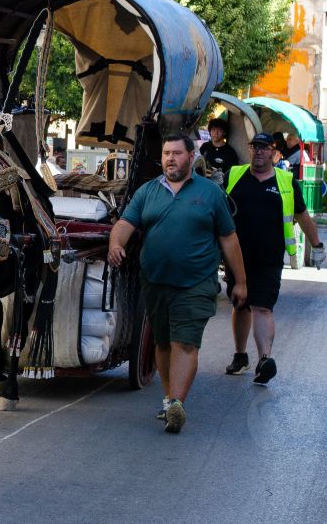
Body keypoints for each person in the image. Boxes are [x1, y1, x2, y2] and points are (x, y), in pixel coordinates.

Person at [108, 133, 247, 434]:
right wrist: (116, 244)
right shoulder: (148, 191)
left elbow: (229, 238)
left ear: (191, 157)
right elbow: (125, 223)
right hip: (155, 282)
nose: (170, 158)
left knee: (184, 342)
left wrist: (240, 282)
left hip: (195, 284)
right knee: (162, 342)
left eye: (177, 153)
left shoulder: (210, 193)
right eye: (166, 153)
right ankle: (169, 399)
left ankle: (177, 404)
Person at [222, 133, 324, 386]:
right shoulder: (233, 175)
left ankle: (264, 360)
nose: (258, 151)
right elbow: (215, 209)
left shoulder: (286, 181)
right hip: (236, 256)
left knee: (262, 306)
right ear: (249, 150)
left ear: (274, 152)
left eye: (264, 148)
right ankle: (240, 355)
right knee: (240, 303)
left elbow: (302, 216)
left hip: (269, 257)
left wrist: (317, 245)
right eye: (254, 147)